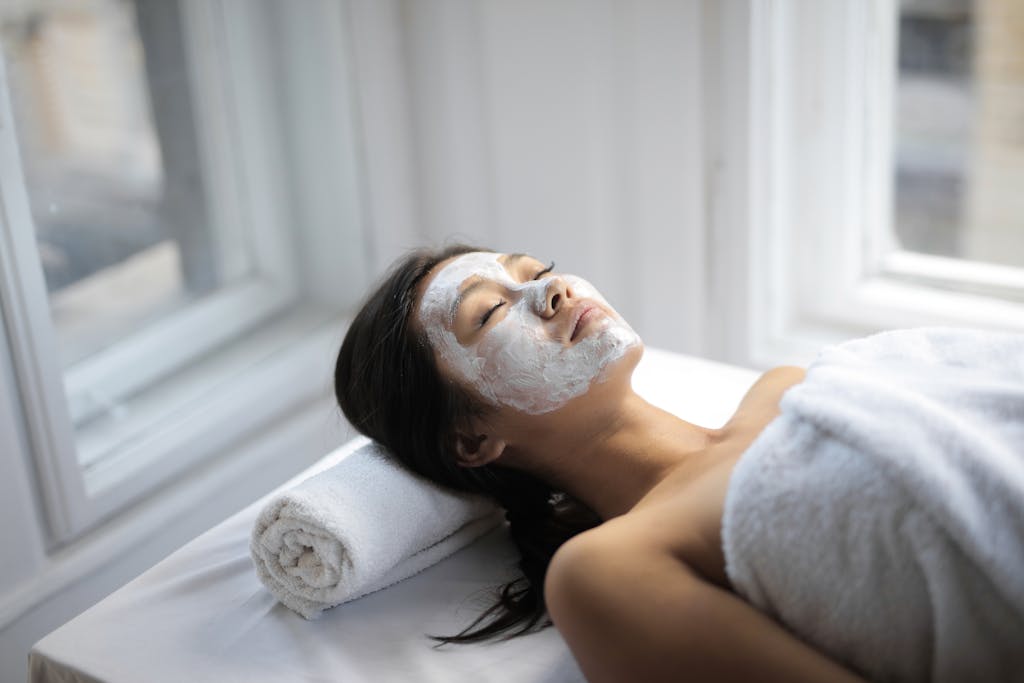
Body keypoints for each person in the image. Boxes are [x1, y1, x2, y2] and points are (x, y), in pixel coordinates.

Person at [333, 245, 956, 682]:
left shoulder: (789, 384)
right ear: (471, 442)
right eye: (491, 311)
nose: (552, 289)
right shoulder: (607, 573)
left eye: (538, 270)